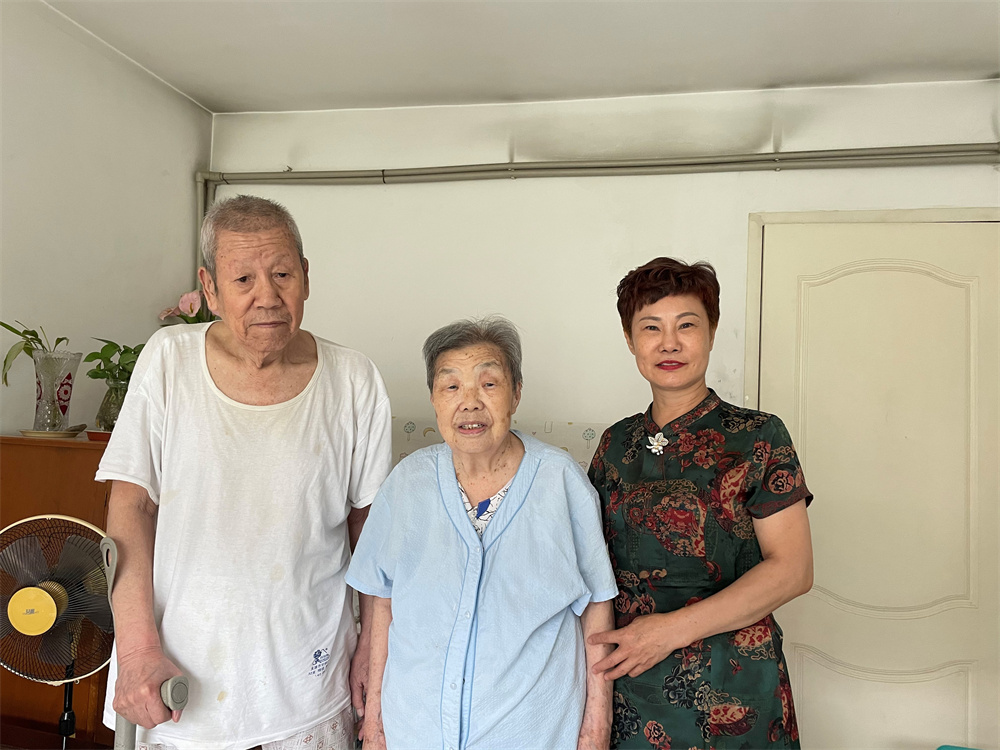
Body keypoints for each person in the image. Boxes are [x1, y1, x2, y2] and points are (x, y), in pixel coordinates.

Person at [97, 195, 392, 749]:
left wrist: (375, 657)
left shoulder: (354, 380)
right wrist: (136, 650)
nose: (268, 296)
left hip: (310, 684)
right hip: (178, 685)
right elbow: (131, 507)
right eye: (243, 280)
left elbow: (373, 534)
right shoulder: (169, 361)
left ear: (306, 276)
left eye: (282, 274)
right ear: (209, 289)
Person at [346, 317, 618, 750]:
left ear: (516, 393)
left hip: (532, 735)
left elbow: (597, 609)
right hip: (415, 733)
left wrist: (595, 730)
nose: (469, 403)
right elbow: (382, 604)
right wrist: (376, 726)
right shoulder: (407, 483)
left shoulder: (561, 481)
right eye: (451, 386)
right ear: (434, 398)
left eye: (489, 384)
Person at [587, 257, 814, 749]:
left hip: (734, 684)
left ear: (711, 333)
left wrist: (669, 631)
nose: (669, 343)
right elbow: (590, 567)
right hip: (631, 690)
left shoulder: (757, 436)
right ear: (630, 340)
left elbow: (793, 570)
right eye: (651, 327)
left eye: (686, 325)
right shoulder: (615, 445)